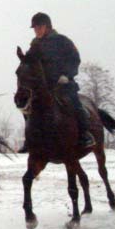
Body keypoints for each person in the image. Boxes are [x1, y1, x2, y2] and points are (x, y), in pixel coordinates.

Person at [21, 12, 95, 150]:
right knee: (26, 105)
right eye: (34, 28)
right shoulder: (35, 44)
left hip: (63, 83)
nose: (36, 30)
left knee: (75, 104)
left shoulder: (62, 41)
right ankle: (30, 139)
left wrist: (67, 75)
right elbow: (30, 62)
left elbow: (75, 58)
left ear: (46, 26)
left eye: (38, 27)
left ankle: (85, 135)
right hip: (44, 85)